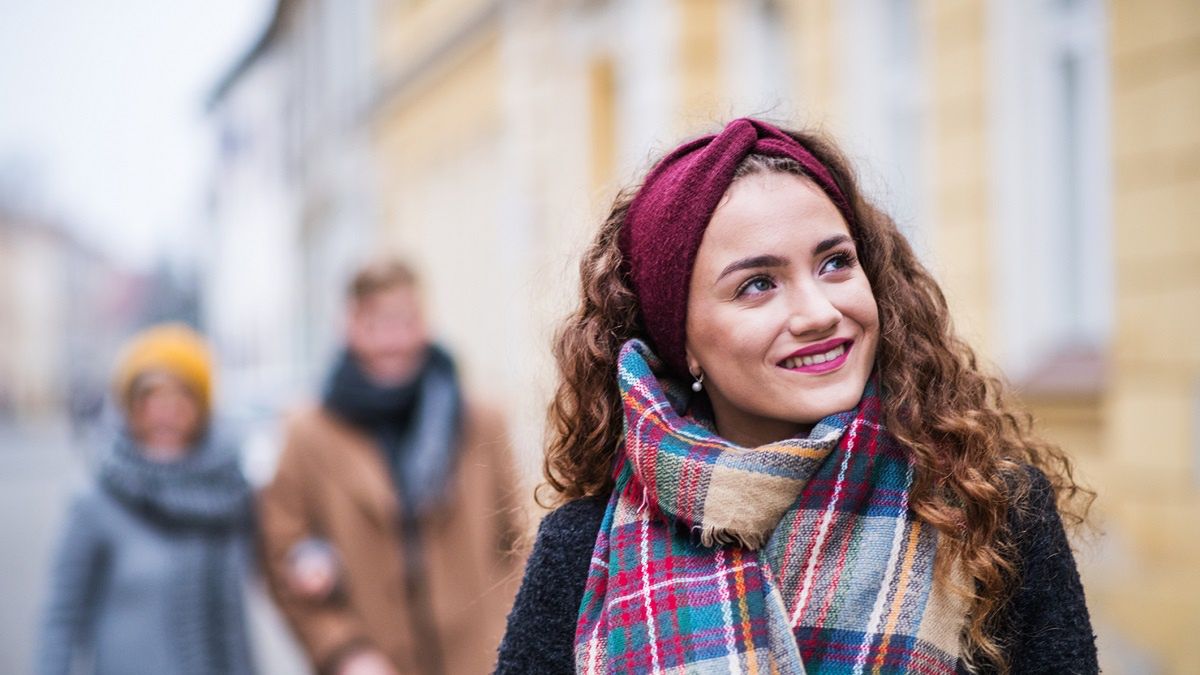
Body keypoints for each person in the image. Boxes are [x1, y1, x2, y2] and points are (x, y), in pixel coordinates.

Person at [496, 118, 1098, 674]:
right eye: (758, 284)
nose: (818, 312)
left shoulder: (989, 509)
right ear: (682, 341)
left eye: (835, 263)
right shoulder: (583, 549)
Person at [257, 259, 524, 675]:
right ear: (349, 325)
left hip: (483, 658)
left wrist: (512, 634)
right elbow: (281, 552)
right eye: (376, 324)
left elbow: (518, 538)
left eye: (405, 321)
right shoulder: (308, 432)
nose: (393, 341)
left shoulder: (479, 420)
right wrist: (344, 651)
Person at [36, 323, 255, 675]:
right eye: (151, 397)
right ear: (130, 406)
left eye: (181, 397)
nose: (165, 412)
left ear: (202, 407)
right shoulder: (98, 500)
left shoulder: (231, 494)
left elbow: (285, 553)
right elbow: (61, 620)